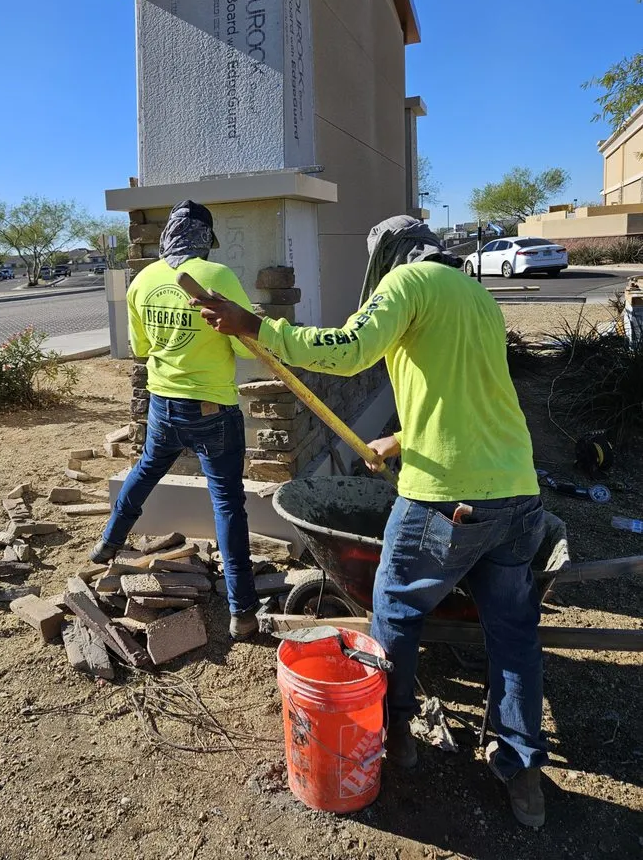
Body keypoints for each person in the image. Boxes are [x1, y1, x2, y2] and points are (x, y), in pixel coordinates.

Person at [190, 217, 549, 828]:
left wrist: (255, 325)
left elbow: (348, 349)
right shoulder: (478, 296)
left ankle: (396, 732)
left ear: (388, 257)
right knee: (513, 634)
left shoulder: (408, 282)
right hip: (517, 494)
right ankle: (524, 775)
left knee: (395, 611)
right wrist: (401, 439)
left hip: (446, 500)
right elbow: (472, 397)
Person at [90, 200, 260, 640]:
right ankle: (242, 611)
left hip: (163, 403)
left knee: (147, 468)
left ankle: (108, 542)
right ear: (206, 239)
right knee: (227, 502)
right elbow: (243, 343)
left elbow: (141, 349)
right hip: (212, 407)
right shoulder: (218, 276)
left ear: (168, 235)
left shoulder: (142, 280)